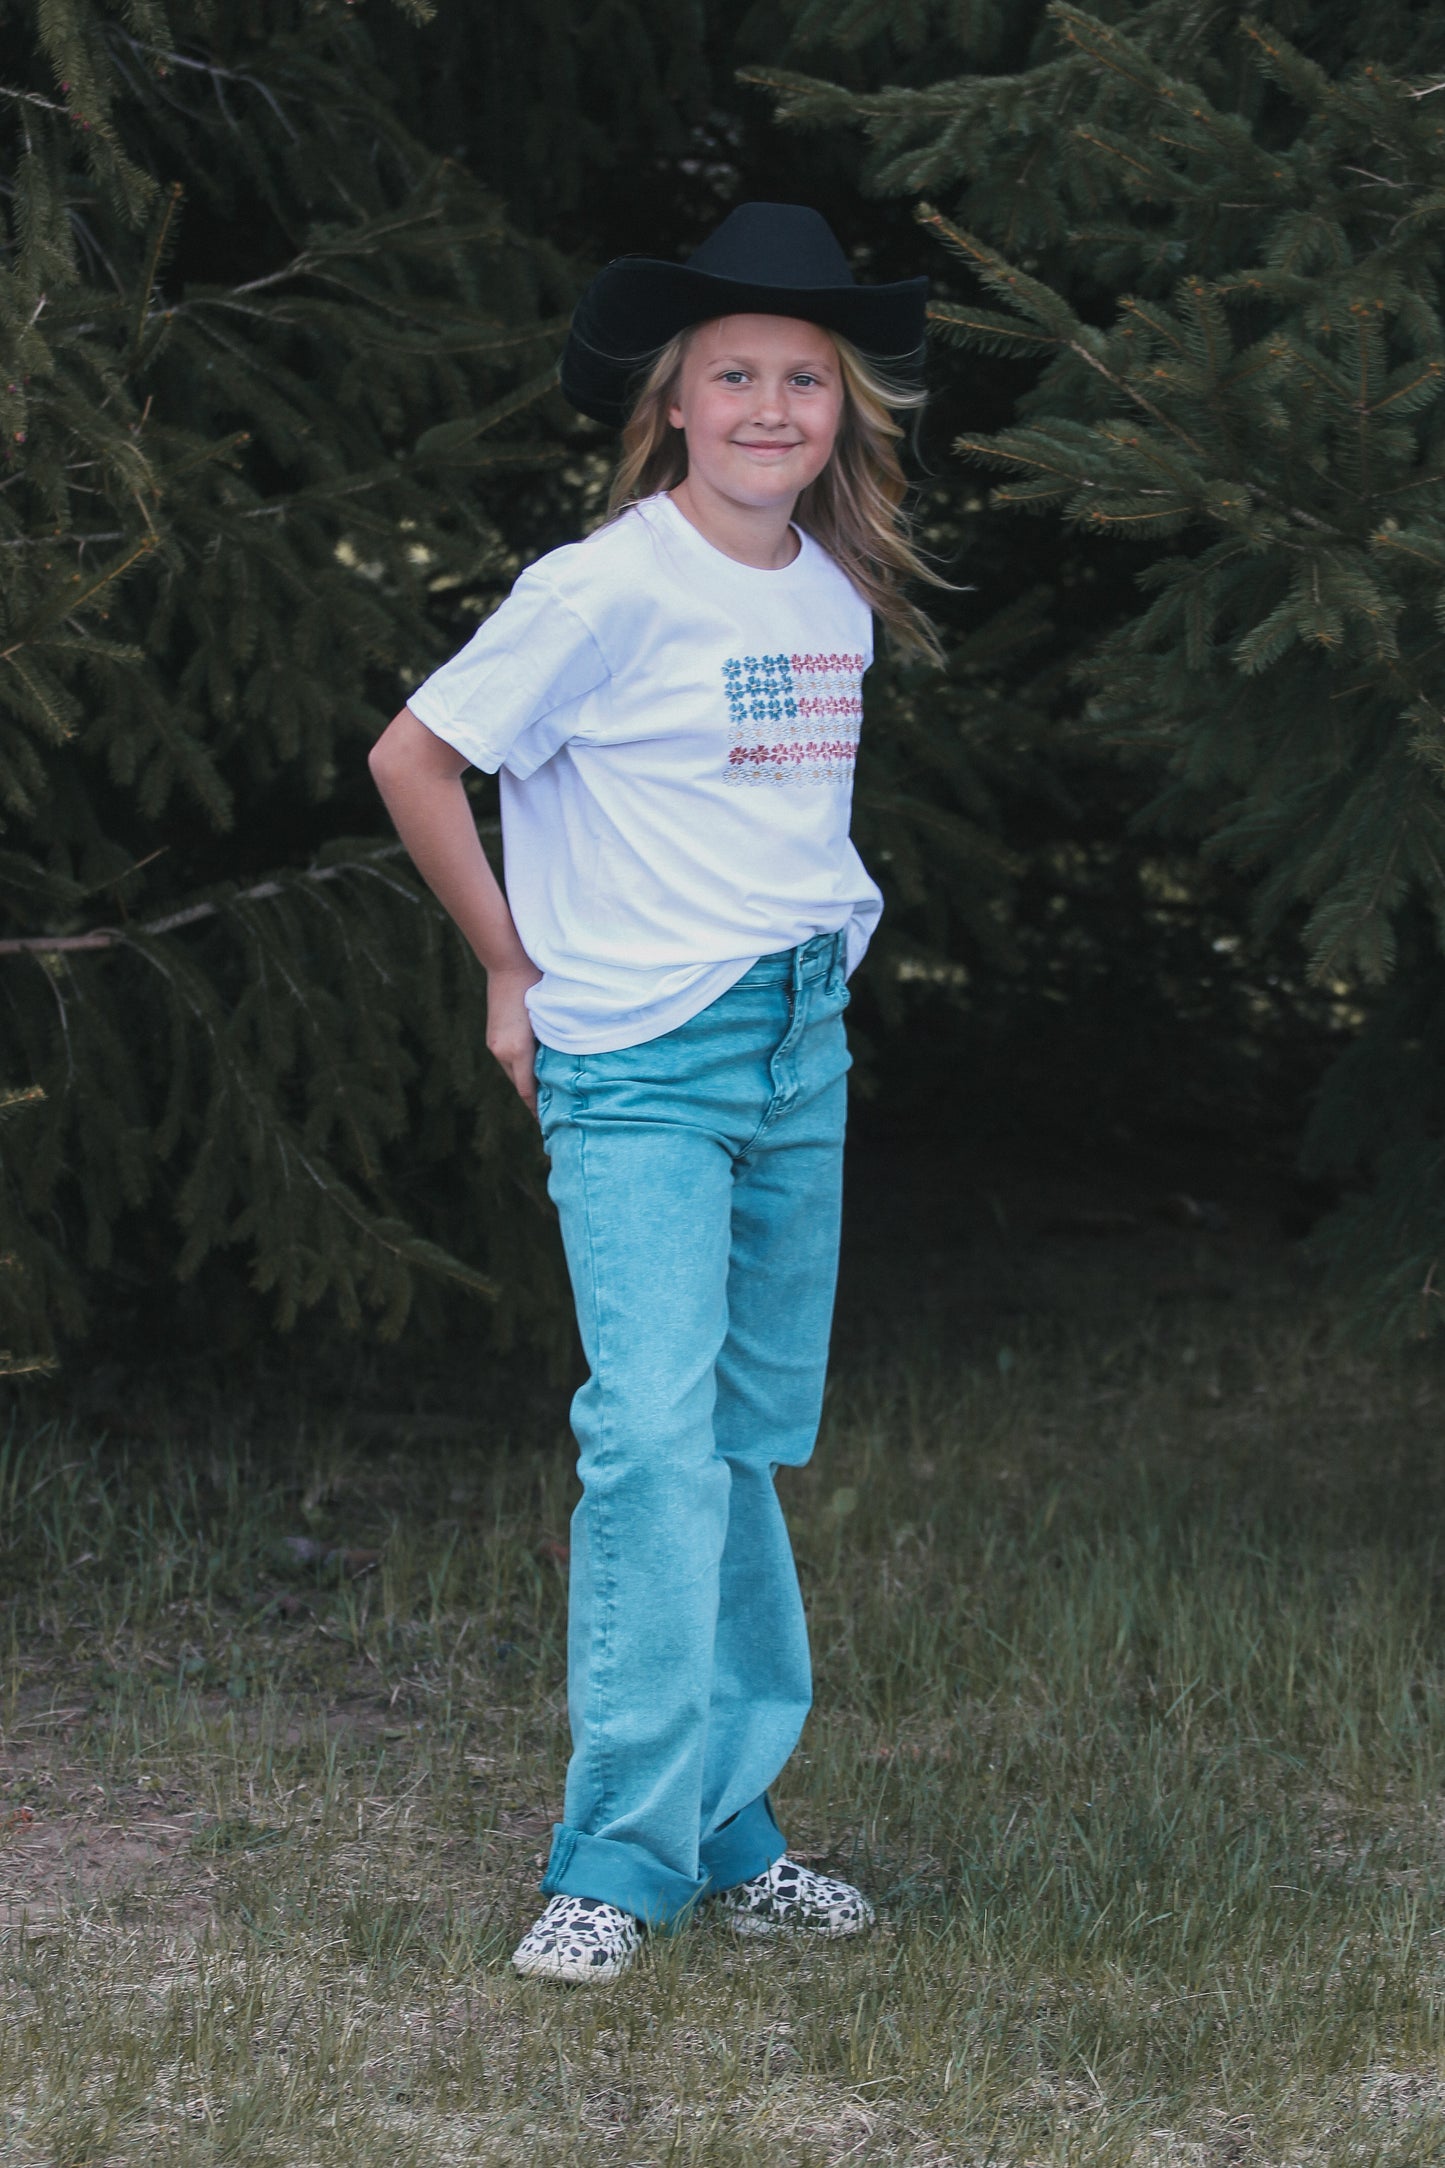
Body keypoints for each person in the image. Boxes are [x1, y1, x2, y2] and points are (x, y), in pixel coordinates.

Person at [368, 201, 941, 1984]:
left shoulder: (832, 595)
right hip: (641, 1059)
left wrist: (815, 989)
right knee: (646, 1441)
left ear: (840, 408)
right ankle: (611, 1857)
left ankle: (729, 1828)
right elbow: (416, 755)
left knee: (739, 1443)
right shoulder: (603, 585)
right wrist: (511, 969)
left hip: (793, 1051)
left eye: (802, 377)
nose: (769, 406)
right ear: (673, 406)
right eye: (733, 377)